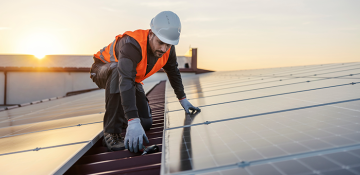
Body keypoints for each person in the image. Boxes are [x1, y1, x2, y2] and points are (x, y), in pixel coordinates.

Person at [90, 11, 201, 153]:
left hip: (129, 77)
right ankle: (111, 133)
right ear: (151, 34)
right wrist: (132, 120)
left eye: (168, 45)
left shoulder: (168, 49)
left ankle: (122, 117)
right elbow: (125, 81)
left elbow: (173, 72)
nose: (163, 48)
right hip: (102, 69)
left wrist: (183, 99)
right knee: (118, 72)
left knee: (146, 123)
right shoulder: (132, 45)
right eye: (160, 43)